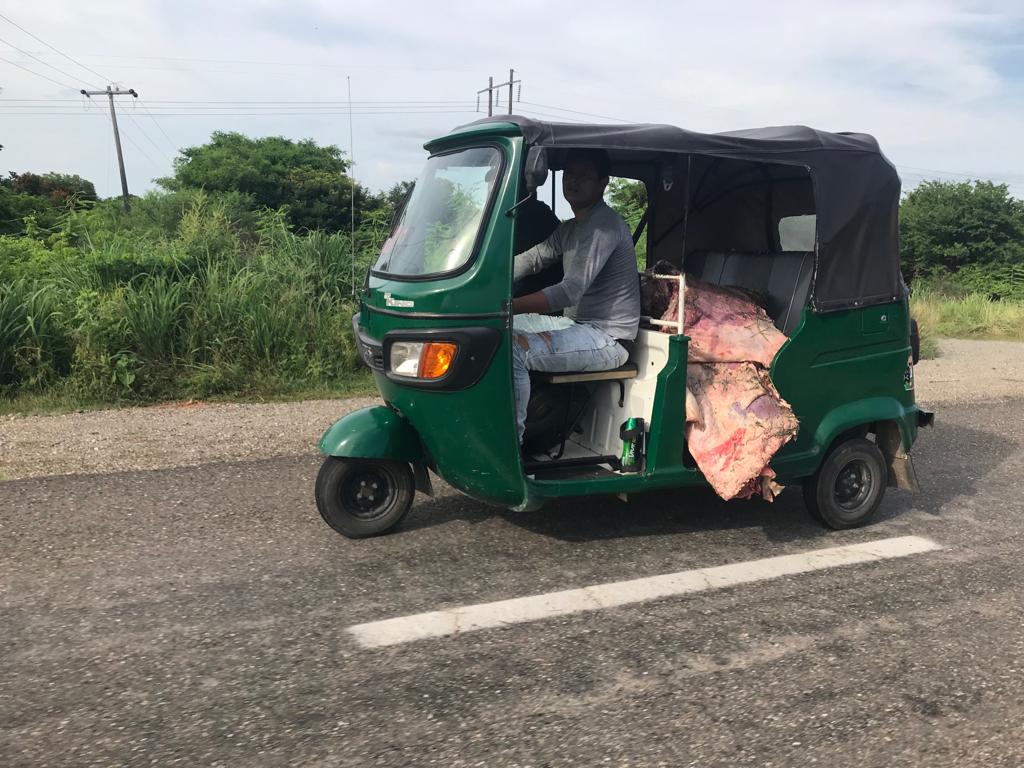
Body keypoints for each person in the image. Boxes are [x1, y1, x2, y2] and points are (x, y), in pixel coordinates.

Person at [511, 148, 641, 446]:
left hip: (607, 338)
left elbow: (569, 290)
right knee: (495, 333)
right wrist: (489, 278)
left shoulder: (604, 227)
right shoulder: (571, 228)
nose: (574, 181)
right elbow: (533, 258)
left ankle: (512, 447)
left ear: (602, 183)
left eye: (584, 175)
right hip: (577, 327)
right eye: (570, 174)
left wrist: (509, 305)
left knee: (514, 350)